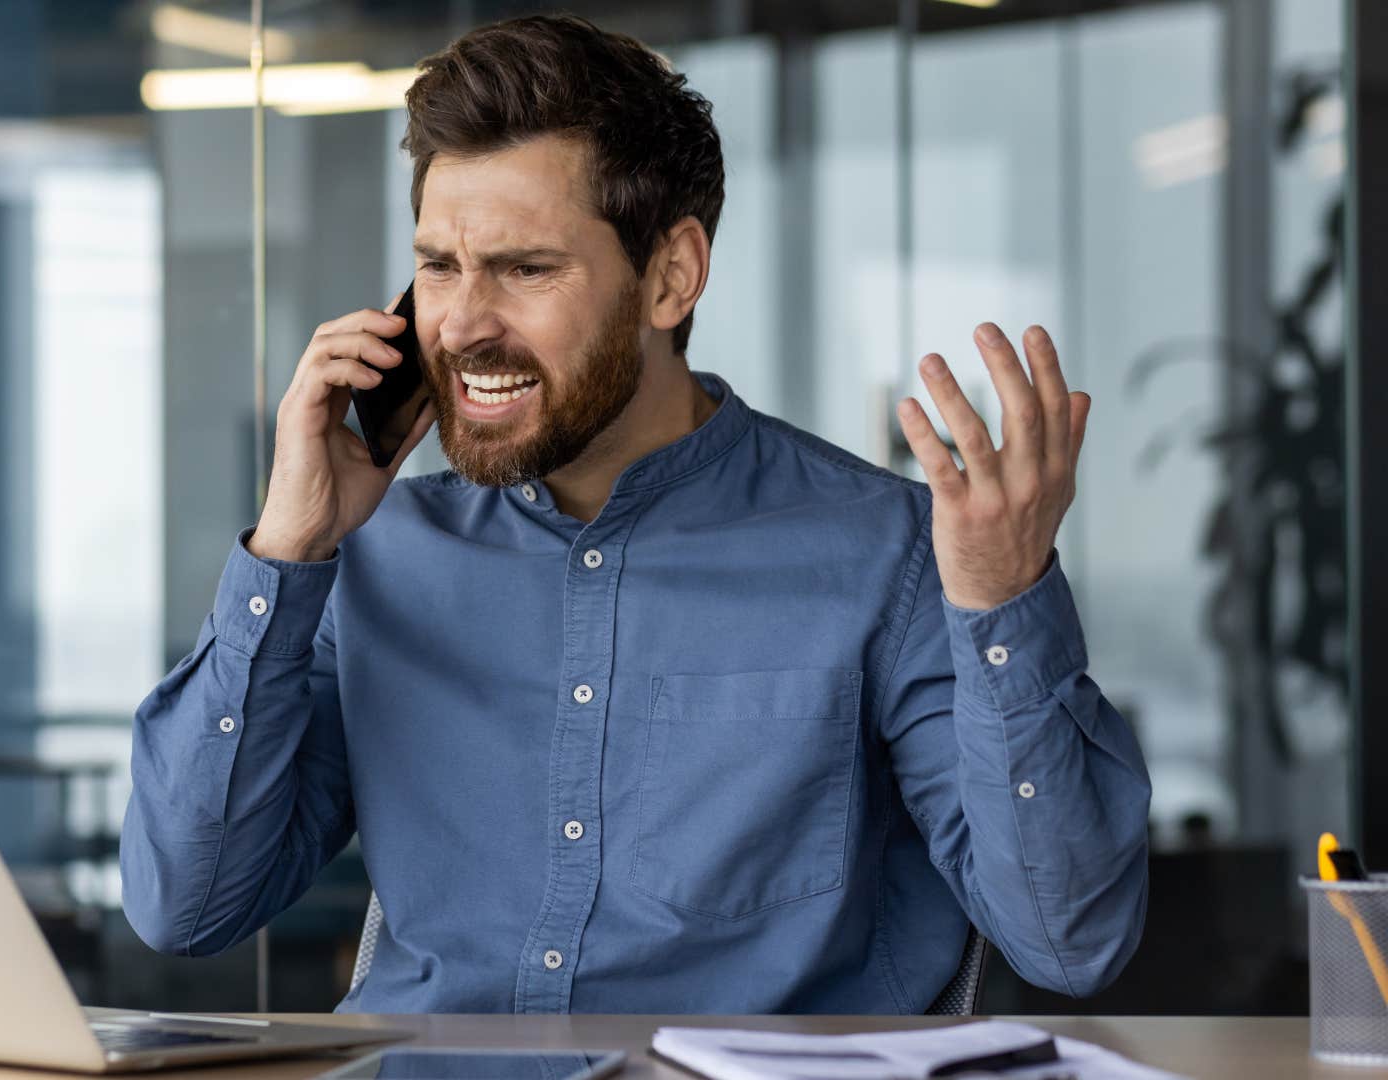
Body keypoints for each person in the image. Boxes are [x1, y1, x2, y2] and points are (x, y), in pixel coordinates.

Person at [121, 13, 1150, 1014]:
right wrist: (286, 550)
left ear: (671, 275)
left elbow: (1070, 940)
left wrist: (1002, 597)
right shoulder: (374, 556)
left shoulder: (888, 554)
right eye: (439, 266)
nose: (464, 324)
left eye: (525, 269)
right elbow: (187, 905)